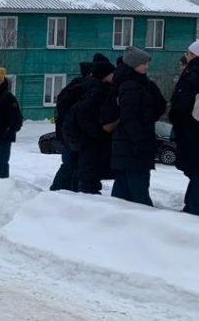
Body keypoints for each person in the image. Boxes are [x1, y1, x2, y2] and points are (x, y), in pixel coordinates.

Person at [109, 47, 166, 206]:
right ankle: (143, 222)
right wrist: (140, 140)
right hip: (133, 145)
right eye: (143, 64)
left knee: (123, 187)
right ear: (134, 65)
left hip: (126, 144)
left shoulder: (135, 83)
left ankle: (113, 218)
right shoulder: (132, 86)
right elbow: (130, 117)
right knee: (138, 188)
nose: (146, 67)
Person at [65, 58, 116, 194]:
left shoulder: (92, 87)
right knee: (88, 176)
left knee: (85, 173)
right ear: (105, 75)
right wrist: (96, 132)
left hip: (87, 140)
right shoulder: (98, 91)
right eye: (112, 74)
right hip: (91, 141)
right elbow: (83, 113)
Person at [49, 59, 97, 191]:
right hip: (71, 135)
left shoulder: (73, 88)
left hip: (68, 134)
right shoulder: (79, 88)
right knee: (70, 163)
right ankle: (59, 188)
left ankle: (67, 188)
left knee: (72, 164)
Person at [169, 40, 199, 215]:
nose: (186, 56)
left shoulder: (193, 74)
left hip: (192, 129)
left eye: (188, 53)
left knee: (195, 170)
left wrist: (176, 119)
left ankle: (193, 208)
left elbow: (182, 104)